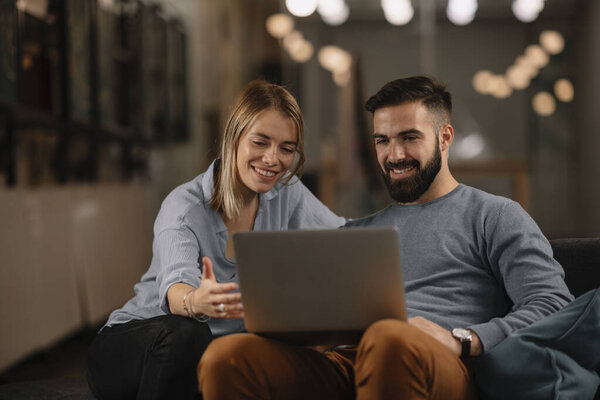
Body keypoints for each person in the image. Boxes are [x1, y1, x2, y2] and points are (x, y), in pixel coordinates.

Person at [196, 75, 573, 400]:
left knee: (390, 340)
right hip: (345, 362)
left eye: (409, 137)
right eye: (382, 140)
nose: (394, 155)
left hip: (435, 365)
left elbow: (554, 303)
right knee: (226, 356)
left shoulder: (494, 214)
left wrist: (463, 338)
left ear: (445, 138)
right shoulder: (355, 233)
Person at [85, 80, 345, 400]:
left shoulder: (285, 194)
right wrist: (197, 301)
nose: (272, 159)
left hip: (207, 354)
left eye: (286, 148)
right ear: (233, 138)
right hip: (134, 348)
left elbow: (345, 238)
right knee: (190, 334)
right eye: (260, 142)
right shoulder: (183, 207)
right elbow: (176, 286)